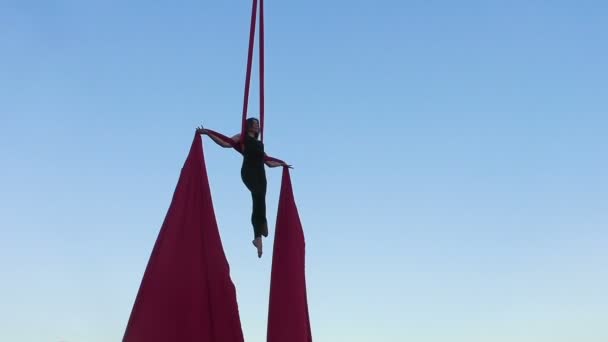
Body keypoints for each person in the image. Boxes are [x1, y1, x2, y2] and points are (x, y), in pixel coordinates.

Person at [196, 118, 291, 258]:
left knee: (260, 201)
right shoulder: (242, 138)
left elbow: (268, 162)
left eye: (259, 124)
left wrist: (282, 164)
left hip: (261, 175)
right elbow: (225, 143)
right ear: (249, 126)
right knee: (258, 196)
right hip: (249, 172)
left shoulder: (260, 144)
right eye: (255, 124)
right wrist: (207, 132)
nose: (258, 126)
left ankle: (257, 237)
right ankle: (261, 224)